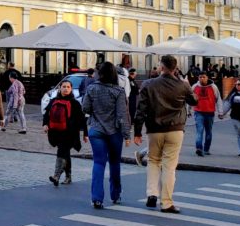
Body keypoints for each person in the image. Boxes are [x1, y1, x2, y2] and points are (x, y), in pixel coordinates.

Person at [133, 54, 196, 213]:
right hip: (176, 129)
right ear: (175, 68)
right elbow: (194, 101)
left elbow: (140, 110)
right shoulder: (183, 85)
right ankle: (167, 202)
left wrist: (138, 132)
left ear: (161, 67)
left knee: (154, 161)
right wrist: (187, 86)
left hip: (154, 129)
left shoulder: (148, 84)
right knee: (169, 166)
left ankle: (152, 194)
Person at [82, 61, 131, 209]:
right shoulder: (118, 91)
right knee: (115, 163)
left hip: (96, 130)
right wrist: (126, 134)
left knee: (98, 163)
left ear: (99, 73)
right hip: (114, 132)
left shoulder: (91, 88)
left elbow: (85, 108)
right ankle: (115, 195)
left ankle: (97, 198)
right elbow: (122, 115)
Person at [44, 79, 87, 186]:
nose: (66, 89)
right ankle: (68, 176)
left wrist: (86, 134)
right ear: (60, 88)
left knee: (62, 152)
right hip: (56, 132)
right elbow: (46, 114)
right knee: (65, 154)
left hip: (70, 134)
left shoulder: (75, 103)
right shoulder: (53, 100)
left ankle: (56, 176)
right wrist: (45, 124)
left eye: (68, 87)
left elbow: (82, 119)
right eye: (64, 87)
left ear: (71, 89)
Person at [192, 72, 222, 157]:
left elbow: (218, 99)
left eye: (203, 77)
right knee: (199, 130)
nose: (202, 79)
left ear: (207, 78)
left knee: (208, 132)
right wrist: (188, 111)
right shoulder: (195, 87)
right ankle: (199, 148)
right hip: (198, 112)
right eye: (200, 77)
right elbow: (189, 98)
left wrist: (220, 112)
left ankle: (206, 149)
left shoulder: (213, 87)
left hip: (210, 112)